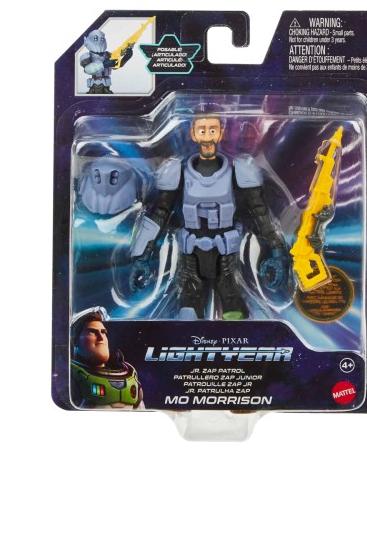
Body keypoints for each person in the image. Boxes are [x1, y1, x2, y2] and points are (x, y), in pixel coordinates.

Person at [129, 114, 290, 319]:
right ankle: (187, 334)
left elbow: (260, 214)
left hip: (226, 251)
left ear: (220, 134)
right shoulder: (177, 171)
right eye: (202, 130)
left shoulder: (239, 171)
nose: (207, 136)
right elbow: (160, 213)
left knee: (229, 293)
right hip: (191, 250)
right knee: (190, 298)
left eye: (212, 130)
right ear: (193, 134)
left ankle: (238, 335)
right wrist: (142, 257)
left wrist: (277, 250)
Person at [70, 308, 143, 409]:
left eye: (103, 332)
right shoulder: (71, 379)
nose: (101, 337)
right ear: (74, 341)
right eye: (92, 332)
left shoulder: (130, 376)